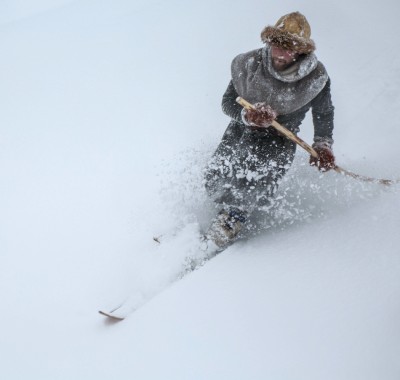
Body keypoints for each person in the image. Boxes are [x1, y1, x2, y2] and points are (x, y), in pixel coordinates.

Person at [204, 11, 336, 249]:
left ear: (301, 51)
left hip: (278, 142)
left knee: (252, 185)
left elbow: (323, 112)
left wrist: (322, 145)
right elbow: (227, 102)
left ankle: (231, 227)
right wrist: (247, 115)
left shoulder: (316, 78)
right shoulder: (249, 64)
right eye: (276, 45)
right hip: (238, 133)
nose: (281, 54)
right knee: (215, 178)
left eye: (289, 48)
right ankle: (214, 218)